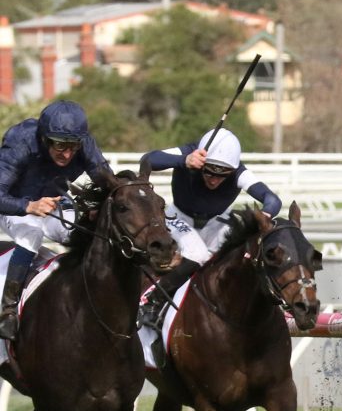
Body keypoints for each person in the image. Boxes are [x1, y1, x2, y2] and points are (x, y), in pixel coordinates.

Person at [137, 128, 282, 329]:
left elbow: (272, 199)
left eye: (222, 175)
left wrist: (265, 215)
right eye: (209, 172)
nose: (214, 180)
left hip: (216, 221)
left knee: (243, 255)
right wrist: (184, 161)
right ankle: (151, 300)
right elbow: (148, 160)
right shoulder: (190, 151)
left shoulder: (239, 172)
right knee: (198, 254)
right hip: (178, 216)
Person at [0, 100, 113, 340]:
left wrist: (100, 208)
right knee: (32, 233)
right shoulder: (21, 142)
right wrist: (29, 206)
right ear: (44, 139)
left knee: (87, 232)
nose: (68, 154)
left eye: (73, 146)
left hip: (53, 204)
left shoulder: (85, 143)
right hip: (13, 206)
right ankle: (8, 310)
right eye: (60, 145)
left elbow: (108, 182)